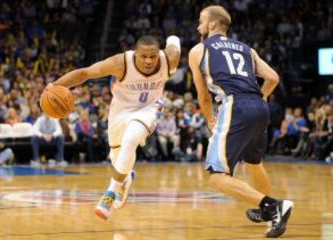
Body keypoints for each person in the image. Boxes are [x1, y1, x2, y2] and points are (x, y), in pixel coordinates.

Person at [47, 35, 181, 220]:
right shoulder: (120, 63)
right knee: (116, 157)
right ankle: (125, 178)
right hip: (120, 109)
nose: (149, 61)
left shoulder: (169, 59)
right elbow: (85, 73)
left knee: (131, 139)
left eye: (153, 56)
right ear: (135, 54)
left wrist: (173, 41)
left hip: (149, 108)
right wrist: (55, 85)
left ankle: (109, 194)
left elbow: (175, 44)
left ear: (159, 54)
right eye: (143, 56)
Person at [188, 5, 293, 238]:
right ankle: (267, 214)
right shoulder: (247, 49)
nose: (198, 26)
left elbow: (203, 95)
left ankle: (273, 205)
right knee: (254, 163)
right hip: (259, 106)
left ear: (212, 24)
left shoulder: (199, 50)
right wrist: (260, 98)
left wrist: (209, 119)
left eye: (201, 21)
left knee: (217, 178)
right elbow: (273, 78)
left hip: (235, 106)